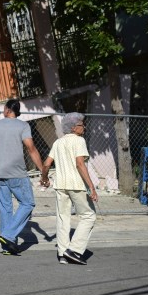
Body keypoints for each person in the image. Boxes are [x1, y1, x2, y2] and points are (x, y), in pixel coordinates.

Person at [0, 99, 44, 255]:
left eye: (4, 108)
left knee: (5, 208)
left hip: (0, 174)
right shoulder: (23, 126)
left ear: (8, 109)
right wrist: (43, 170)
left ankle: (8, 246)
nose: (3, 111)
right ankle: (8, 236)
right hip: (17, 174)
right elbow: (31, 148)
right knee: (27, 203)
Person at [40, 112, 98, 265]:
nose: (83, 127)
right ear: (73, 128)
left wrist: (44, 179)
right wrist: (91, 186)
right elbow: (80, 164)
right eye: (81, 125)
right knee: (89, 216)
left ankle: (62, 253)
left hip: (60, 185)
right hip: (76, 185)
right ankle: (74, 250)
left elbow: (46, 164)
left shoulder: (58, 143)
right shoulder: (79, 141)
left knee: (62, 218)